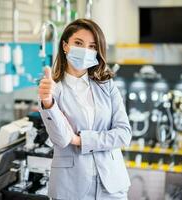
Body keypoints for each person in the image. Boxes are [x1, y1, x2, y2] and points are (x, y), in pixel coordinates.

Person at [38, 18, 132, 200]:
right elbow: (62, 139)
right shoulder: (52, 89)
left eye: (92, 46)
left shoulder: (107, 86)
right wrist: (48, 103)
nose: (85, 51)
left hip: (112, 186)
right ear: (65, 46)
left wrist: (80, 139)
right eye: (79, 43)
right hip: (71, 187)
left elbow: (124, 134)